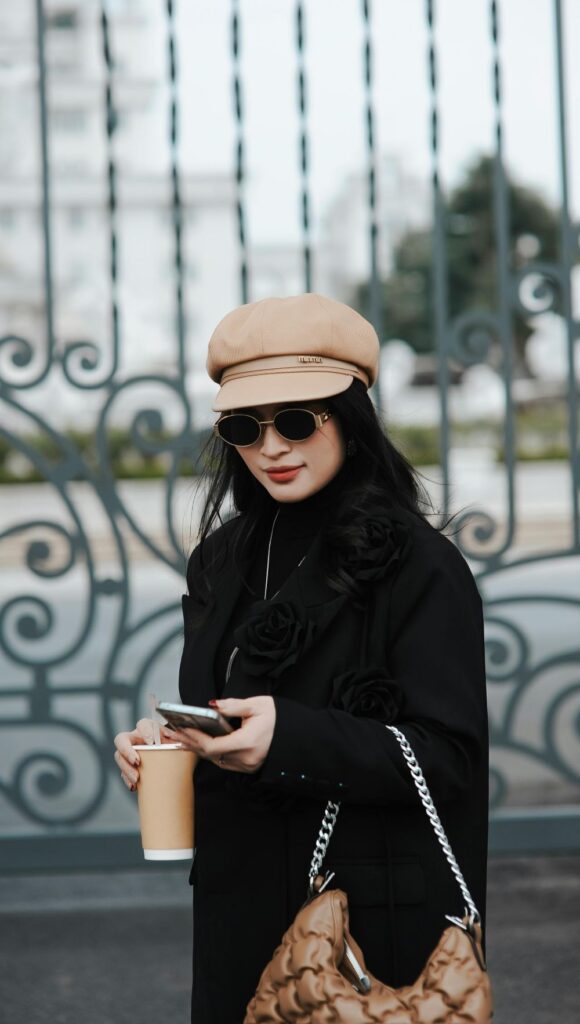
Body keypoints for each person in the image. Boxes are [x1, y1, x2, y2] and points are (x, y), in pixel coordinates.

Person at [114, 293, 489, 1024]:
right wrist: (172, 744)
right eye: (243, 426)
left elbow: (449, 759)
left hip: (369, 931)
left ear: (349, 417)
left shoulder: (421, 566)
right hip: (239, 911)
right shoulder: (220, 561)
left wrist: (289, 737)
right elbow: (230, 713)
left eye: (295, 420)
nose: (271, 448)